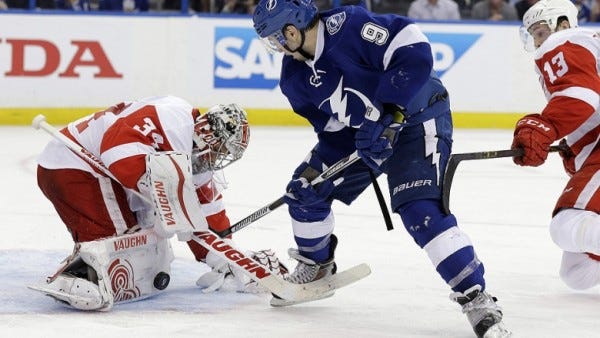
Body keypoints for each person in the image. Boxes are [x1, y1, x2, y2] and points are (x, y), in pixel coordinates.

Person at [252, 1, 510, 337]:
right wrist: (319, 173)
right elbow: (332, 133)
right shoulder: (294, 78)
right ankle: (316, 266)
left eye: (276, 39)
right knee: (306, 189)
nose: (277, 48)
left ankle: (476, 297)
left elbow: (413, 46)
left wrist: (392, 112)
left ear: (292, 30)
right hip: (369, 136)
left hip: (417, 122)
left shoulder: (349, 25)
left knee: (420, 211)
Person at [33, 95, 287, 311]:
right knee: (125, 253)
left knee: (151, 251)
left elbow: (208, 211)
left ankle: (90, 269)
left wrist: (227, 259)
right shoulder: (171, 119)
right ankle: (74, 276)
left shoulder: (197, 153)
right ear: (209, 136)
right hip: (74, 166)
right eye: (221, 150)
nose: (220, 158)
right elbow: (114, 148)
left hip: (98, 175)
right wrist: (163, 198)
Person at [513, 0, 600, 291]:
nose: (539, 40)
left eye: (540, 30)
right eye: (534, 34)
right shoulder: (590, 43)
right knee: (577, 272)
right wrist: (577, 147)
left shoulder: (566, 40)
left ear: (563, 23)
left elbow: (582, 95)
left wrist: (546, 126)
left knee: (565, 225)